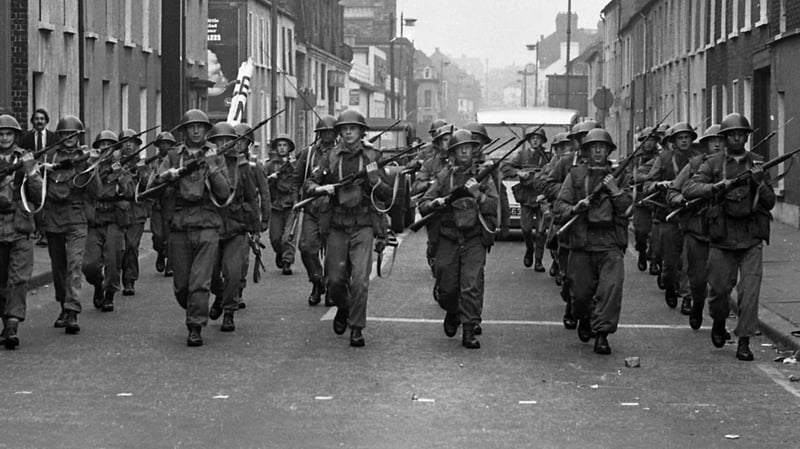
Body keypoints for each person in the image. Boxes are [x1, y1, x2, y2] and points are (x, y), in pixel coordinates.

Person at [683, 113, 775, 361]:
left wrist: (759, 183)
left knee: (750, 292)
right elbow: (690, 189)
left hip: (751, 237)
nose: (737, 137)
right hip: (721, 238)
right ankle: (719, 320)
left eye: (741, 134)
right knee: (719, 290)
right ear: (724, 138)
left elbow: (770, 202)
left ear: (746, 137)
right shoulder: (712, 164)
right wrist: (716, 187)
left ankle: (744, 341)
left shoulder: (757, 164)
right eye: (732, 134)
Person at [307, 110, 391, 347]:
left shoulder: (373, 156)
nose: (349, 132)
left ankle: (356, 327)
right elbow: (311, 182)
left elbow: (386, 194)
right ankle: (343, 308)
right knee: (334, 281)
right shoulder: (331, 157)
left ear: (362, 131)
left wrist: (374, 180)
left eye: (353, 128)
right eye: (344, 129)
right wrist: (322, 189)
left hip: (363, 225)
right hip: (337, 224)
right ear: (339, 133)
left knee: (360, 281)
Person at [148, 109, 231, 347]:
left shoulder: (216, 155)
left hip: (206, 223)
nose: (196, 131)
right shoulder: (173, 156)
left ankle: (195, 326)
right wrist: (167, 176)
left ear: (206, 131)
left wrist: (214, 167)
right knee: (182, 285)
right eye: (191, 127)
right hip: (179, 223)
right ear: (184, 131)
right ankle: (195, 308)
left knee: (199, 281)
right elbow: (151, 187)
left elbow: (224, 192)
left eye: (200, 127)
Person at [419, 129, 499, 349]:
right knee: (446, 286)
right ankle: (452, 311)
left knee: (471, 284)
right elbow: (424, 203)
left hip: (473, 237)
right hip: (449, 237)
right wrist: (437, 203)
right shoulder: (445, 176)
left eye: (468, 148)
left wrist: (479, 196)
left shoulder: (484, 176)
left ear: (474, 150)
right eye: (459, 148)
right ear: (452, 152)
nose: (464, 151)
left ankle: (469, 329)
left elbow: (494, 206)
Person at [555, 128, 632, 355]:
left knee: (610, 289)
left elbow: (628, 209)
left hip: (610, 241)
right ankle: (585, 317)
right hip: (582, 240)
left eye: (602, 147)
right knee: (580, 293)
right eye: (593, 147)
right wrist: (575, 208)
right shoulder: (575, 175)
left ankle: (602, 334)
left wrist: (615, 190)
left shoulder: (620, 176)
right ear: (586, 151)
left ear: (608, 151)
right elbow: (560, 206)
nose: (598, 151)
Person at [539, 120, 598, 330]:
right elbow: (545, 183)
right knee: (569, 275)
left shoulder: (605, 166)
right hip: (568, 225)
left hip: (595, 226)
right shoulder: (565, 163)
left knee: (593, 279)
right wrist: (569, 195)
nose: (586, 142)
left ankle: (587, 318)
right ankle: (571, 303)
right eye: (581, 138)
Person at [667, 124, 724, 330]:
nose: (717, 145)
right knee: (697, 278)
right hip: (697, 230)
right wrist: (683, 199)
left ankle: (719, 321)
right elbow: (672, 192)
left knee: (721, 283)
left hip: (723, 233)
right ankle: (697, 303)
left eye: (721, 140)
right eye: (712, 141)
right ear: (705, 144)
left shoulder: (733, 166)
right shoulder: (694, 165)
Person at [208, 122, 261, 332]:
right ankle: (219, 296)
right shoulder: (205, 163)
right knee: (211, 273)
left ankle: (229, 311)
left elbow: (251, 197)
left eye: (227, 140)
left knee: (232, 272)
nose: (223, 144)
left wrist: (255, 229)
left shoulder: (243, 167)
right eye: (219, 140)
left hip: (236, 226)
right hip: (211, 226)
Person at [41, 115, 91, 334]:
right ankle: (63, 303)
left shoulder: (86, 158)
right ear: (59, 136)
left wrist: (93, 167)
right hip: (54, 217)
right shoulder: (50, 156)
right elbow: (38, 189)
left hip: (77, 216)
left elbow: (94, 190)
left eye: (73, 134)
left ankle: (72, 310)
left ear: (79, 136)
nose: (69, 138)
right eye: (64, 134)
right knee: (58, 267)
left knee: (74, 265)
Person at [645, 122, 700, 313]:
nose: (684, 141)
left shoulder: (698, 159)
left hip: (691, 215)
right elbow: (647, 185)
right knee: (669, 261)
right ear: (673, 141)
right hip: (668, 215)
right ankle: (669, 285)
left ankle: (687, 297)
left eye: (687, 137)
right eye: (680, 138)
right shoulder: (664, 158)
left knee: (689, 259)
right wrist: (660, 184)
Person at [0, 115, 43, 349]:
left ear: (16, 136)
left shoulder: (25, 158)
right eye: (1, 134)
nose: (4, 138)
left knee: (18, 279)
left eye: (9, 134)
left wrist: (31, 172)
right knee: (1, 283)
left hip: (20, 228)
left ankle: (13, 324)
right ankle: (6, 323)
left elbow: (38, 196)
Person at [81, 130, 135, 313]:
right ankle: (98, 285)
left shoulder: (121, 167)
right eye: (101, 144)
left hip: (114, 218)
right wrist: (92, 167)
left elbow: (129, 193)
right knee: (89, 265)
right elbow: (85, 190)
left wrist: (120, 177)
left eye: (109, 145)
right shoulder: (89, 166)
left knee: (113, 261)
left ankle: (109, 294)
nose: (105, 147)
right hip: (95, 219)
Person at [294, 116, 336, 306]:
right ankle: (317, 281)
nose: (327, 135)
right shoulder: (308, 153)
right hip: (312, 207)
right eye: (324, 131)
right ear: (318, 133)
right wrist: (297, 201)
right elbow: (298, 179)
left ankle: (330, 287)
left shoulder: (340, 153)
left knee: (333, 253)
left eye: (331, 131)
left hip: (334, 209)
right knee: (307, 248)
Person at [501, 125, 550, 271]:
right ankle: (529, 248)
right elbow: (505, 167)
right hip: (527, 196)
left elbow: (555, 170)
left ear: (542, 140)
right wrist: (518, 172)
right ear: (528, 140)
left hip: (542, 196)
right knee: (526, 228)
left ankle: (538, 261)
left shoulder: (548, 157)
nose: (535, 141)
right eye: (533, 138)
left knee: (541, 232)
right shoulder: (521, 155)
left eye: (538, 138)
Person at [234, 122, 271, 310]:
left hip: (248, 216)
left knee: (242, 259)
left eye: (242, 141)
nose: (237, 144)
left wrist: (264, 219)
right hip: (227, 217)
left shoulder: (255, 166)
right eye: (235, 140)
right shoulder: (225, 162)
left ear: (249, 143)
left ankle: (238, 291)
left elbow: (264, 193)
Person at [411, 124, 452, 274]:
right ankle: (433, 258)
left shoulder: (460, 163)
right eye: (444, 140)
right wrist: (431, 183)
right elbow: (416, 186)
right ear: (438, 143)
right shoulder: (430, 163)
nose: (448, 143)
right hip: (434, 208)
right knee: (435, 240)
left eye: (451, 139)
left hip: (454, 209)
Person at [118, 129, 149, 296]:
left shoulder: (144, 164)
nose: (128, 145)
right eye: (125, 141)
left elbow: (149, 187)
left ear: (138, 146)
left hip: (136, 210)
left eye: (132, 142)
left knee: (131, 245)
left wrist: (144, 175)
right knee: (118, 248)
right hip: (118, 210)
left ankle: (129, 279)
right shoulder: (114, 164)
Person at [20, 108, 56, 248]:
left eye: (42, 119)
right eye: (36, 119)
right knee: (35, 202)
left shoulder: (54, 137)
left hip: (49, 174)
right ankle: (41, 232)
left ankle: (46, 233)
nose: (39, 121)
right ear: (32, 122)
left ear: (46, 121)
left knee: (47, 202)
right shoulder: (26, 138)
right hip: (32, 174)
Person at [263, 134, 298, 275]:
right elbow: (261, 182)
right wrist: (271, 178)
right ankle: (280, 252)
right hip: (276, 205)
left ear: (289, 148)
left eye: (285, 145)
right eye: (279, 145)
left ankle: (287, 261)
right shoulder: (269, 165)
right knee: (275, 238)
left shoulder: (296, 164)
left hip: (291, 205)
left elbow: (300, 180)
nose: (282, 148)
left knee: (288, 236)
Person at [629, 126, 663, 272]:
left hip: (656, 199)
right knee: (641, 232)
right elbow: (630, 177)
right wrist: (645, 177)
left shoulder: (661, 157)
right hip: (641, 199)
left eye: (653, 140)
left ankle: (655, 262)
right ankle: (642, 253)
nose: (649, 143)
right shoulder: (635, 158)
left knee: (657, 235)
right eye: (647, 140)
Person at [149, 132, 177, 277]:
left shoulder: (176, 160)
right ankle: (160, 252)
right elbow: (149, 183)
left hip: (171, 203)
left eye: (167, 144)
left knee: (171, 236)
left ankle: (170, 264)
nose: (164, 146)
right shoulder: (153, 162)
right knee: (158, 236)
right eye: (162, 144)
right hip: (157, 205)